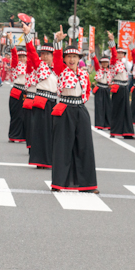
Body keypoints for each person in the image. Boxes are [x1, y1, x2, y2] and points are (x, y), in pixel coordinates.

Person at [46, 25, 97, 191]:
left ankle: (87, 184)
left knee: (85, 146)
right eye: (69, 57)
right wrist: (58, 43)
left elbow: (87, 90)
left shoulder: (83, 73)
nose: (72, 60)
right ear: (65, 59)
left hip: (80, 109)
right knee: (62, 146)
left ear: (79, 58)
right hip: (65, 109)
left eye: (75, 56)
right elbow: (56, 57)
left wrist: (82, 102)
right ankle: (59, 183)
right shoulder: (61, 70)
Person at [25, 37, 57, 168]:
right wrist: (27, 36)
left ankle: (50, 159)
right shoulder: (40, 66)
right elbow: (32, 53)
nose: (44, 57)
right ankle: (40, 160)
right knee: (40, 131)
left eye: (47, 54)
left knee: (52, 132)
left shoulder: (59, 68)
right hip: (42, 100)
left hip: (54, 102)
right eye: (42, 54)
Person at [105, 32, 135, 139]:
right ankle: (114, 131)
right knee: (116, 110)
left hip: (125, 87)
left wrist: (131, 44)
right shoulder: (113, 61)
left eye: (122, 53)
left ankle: (127, 133)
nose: (120, 54)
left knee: (126, 110)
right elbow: (113, 53)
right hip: (117, 87)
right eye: (119, 53)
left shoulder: (125, 63)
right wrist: (112, 41)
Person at [7, 36, 27, 142]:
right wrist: (11, 42)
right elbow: (14, 55)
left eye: (24, 57)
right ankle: (14, 135)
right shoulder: (15, 65)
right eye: (21, 57)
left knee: (25, 116)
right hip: (17, 91)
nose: (22, 59)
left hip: (26, 92)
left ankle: (23, 136)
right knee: (16, 115)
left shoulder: (30, 67)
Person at [92, 51, 112, 130]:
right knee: (99, 107)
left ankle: (108, 124)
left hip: (107, 89)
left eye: (106, 62)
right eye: (103, 62)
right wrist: (93, 54)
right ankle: (99, 124)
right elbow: (96, 62)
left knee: (108, 107)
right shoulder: (98, 69)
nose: (104, 64)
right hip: (100, 89)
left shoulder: (110, 71)